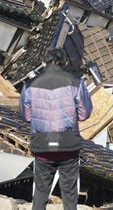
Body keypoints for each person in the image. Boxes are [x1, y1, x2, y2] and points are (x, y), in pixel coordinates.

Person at [20, 48, 93, 210]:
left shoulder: (29, 85)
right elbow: (84, 114)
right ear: (64, 62)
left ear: (43, 62)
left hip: (42, 145)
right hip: (68, 145)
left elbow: (26, 116)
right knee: (69, 194)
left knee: (40, 192)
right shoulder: (76, 82)